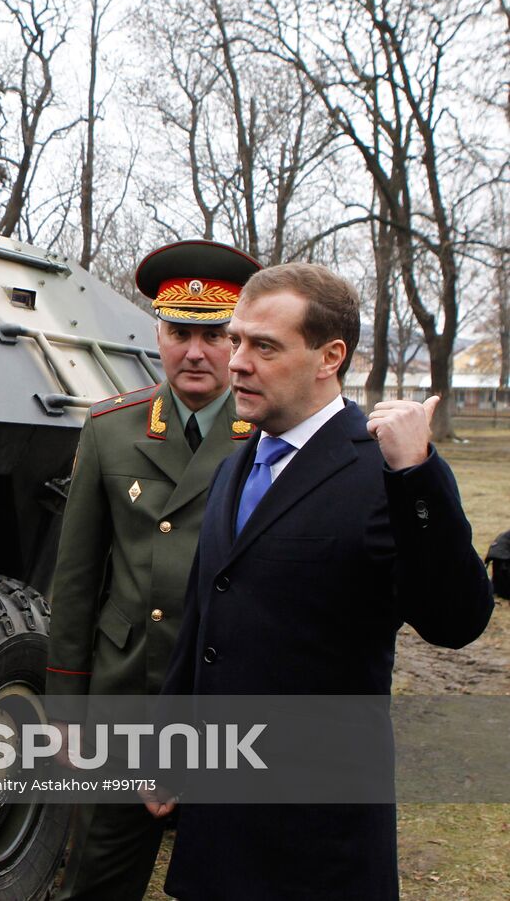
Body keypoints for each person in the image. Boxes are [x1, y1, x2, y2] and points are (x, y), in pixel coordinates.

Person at [151, 262, 493, 900]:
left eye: (265, 346)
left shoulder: (383, 472)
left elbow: (456, 621)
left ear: (329, 356)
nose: (237, 363)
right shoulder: (235, 464)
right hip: (220, 823)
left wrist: (417, 474)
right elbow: (204, 616)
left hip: (314, 835)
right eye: (237, 341)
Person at [44, 241, 261, 899]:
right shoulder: (112, 429)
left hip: (226, 704)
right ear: (157, 334)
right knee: (98, 877)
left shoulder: (269, 434)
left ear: (237, 339)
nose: (194, 350)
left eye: (213, 333)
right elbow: (77, 579)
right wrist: (64, 709)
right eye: (179, 332)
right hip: (124, 696)